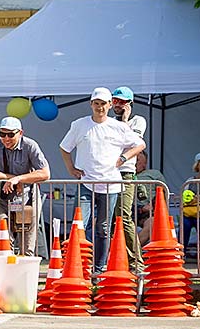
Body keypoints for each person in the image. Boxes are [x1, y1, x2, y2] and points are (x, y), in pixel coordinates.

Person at [60, 87, 145, 274]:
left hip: (110, 185)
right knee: (81, 224)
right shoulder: (79, 124)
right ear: (91, 104)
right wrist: (71, 168)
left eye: (103, 104)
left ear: (109, 105)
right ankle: (78, 267)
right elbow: (64, 148)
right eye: (96, 104)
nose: (99, 107)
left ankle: (99, 269)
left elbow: (140, 144)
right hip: (86, 183)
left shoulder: (120, 126)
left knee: (104, 228)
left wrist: (123, 159)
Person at [0, 116, 50, 256]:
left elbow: (45, 173)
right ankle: (5, 273)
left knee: (27, 246)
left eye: (11, 134)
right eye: (2, 134)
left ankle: (24, 275)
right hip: (3, 198)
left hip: (27, 199)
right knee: (3, 242)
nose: (6, 138)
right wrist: (11, 179)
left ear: (20, 133)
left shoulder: (30, 145)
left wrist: (20, 179)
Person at [111, 86, 147, 273]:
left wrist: (124, 120)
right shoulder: (107, 122)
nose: (117, 105)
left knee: (124, 217)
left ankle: (136, 262)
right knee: (108, 219)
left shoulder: (137, 121)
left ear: (130, 104)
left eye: (121, 102)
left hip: (125, 173)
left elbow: (133, 143)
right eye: (115, 101)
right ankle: (114, 261)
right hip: (107, 174)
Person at [135, 150, 165, 246]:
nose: (136, 163)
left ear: (145, 163)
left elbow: (163, 194)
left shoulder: (154, 174)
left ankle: (132, 252)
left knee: (152, 223)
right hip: (127, 211)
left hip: (147, 212)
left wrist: (152, 205)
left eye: (139, 160)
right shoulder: (121, 176)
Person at [183, 153, 200, 258]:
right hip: (190, 214)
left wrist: (194, 200)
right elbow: (184, 198)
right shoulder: (190, 181)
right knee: (184, 225)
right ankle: (181, 254)